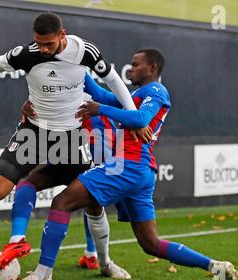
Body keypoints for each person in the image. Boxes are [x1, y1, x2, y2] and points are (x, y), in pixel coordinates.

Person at [0, 12, 137, 278]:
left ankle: (106, 263)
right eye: (39, 43)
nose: (44, 49)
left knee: (93, 204)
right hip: (34, 132)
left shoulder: (85, 51)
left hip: (72, 136)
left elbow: (113, 80)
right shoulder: (26, 54)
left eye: (49, 43)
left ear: (62, 35)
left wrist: (133, 117)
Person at [10, 48, 238, 280]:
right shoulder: (135, 94)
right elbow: (97, 92)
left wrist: (100, 110)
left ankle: (44, 275)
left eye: (136, 64)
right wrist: (73, 66)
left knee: (62, 202)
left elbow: (140, 119)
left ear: (152, 68)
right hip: (138, 170)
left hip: (127, 164)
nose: (130, 68)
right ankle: (215, 266)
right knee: (150, 244)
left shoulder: (157, 90)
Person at [19, 97, 153, 270]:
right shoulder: (88, 95)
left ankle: (93, 259)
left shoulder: (87, 96)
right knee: (88, 201)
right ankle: (96, 257)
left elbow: (126, 112)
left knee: (84, 200)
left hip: (95, 148)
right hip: (88, 148)